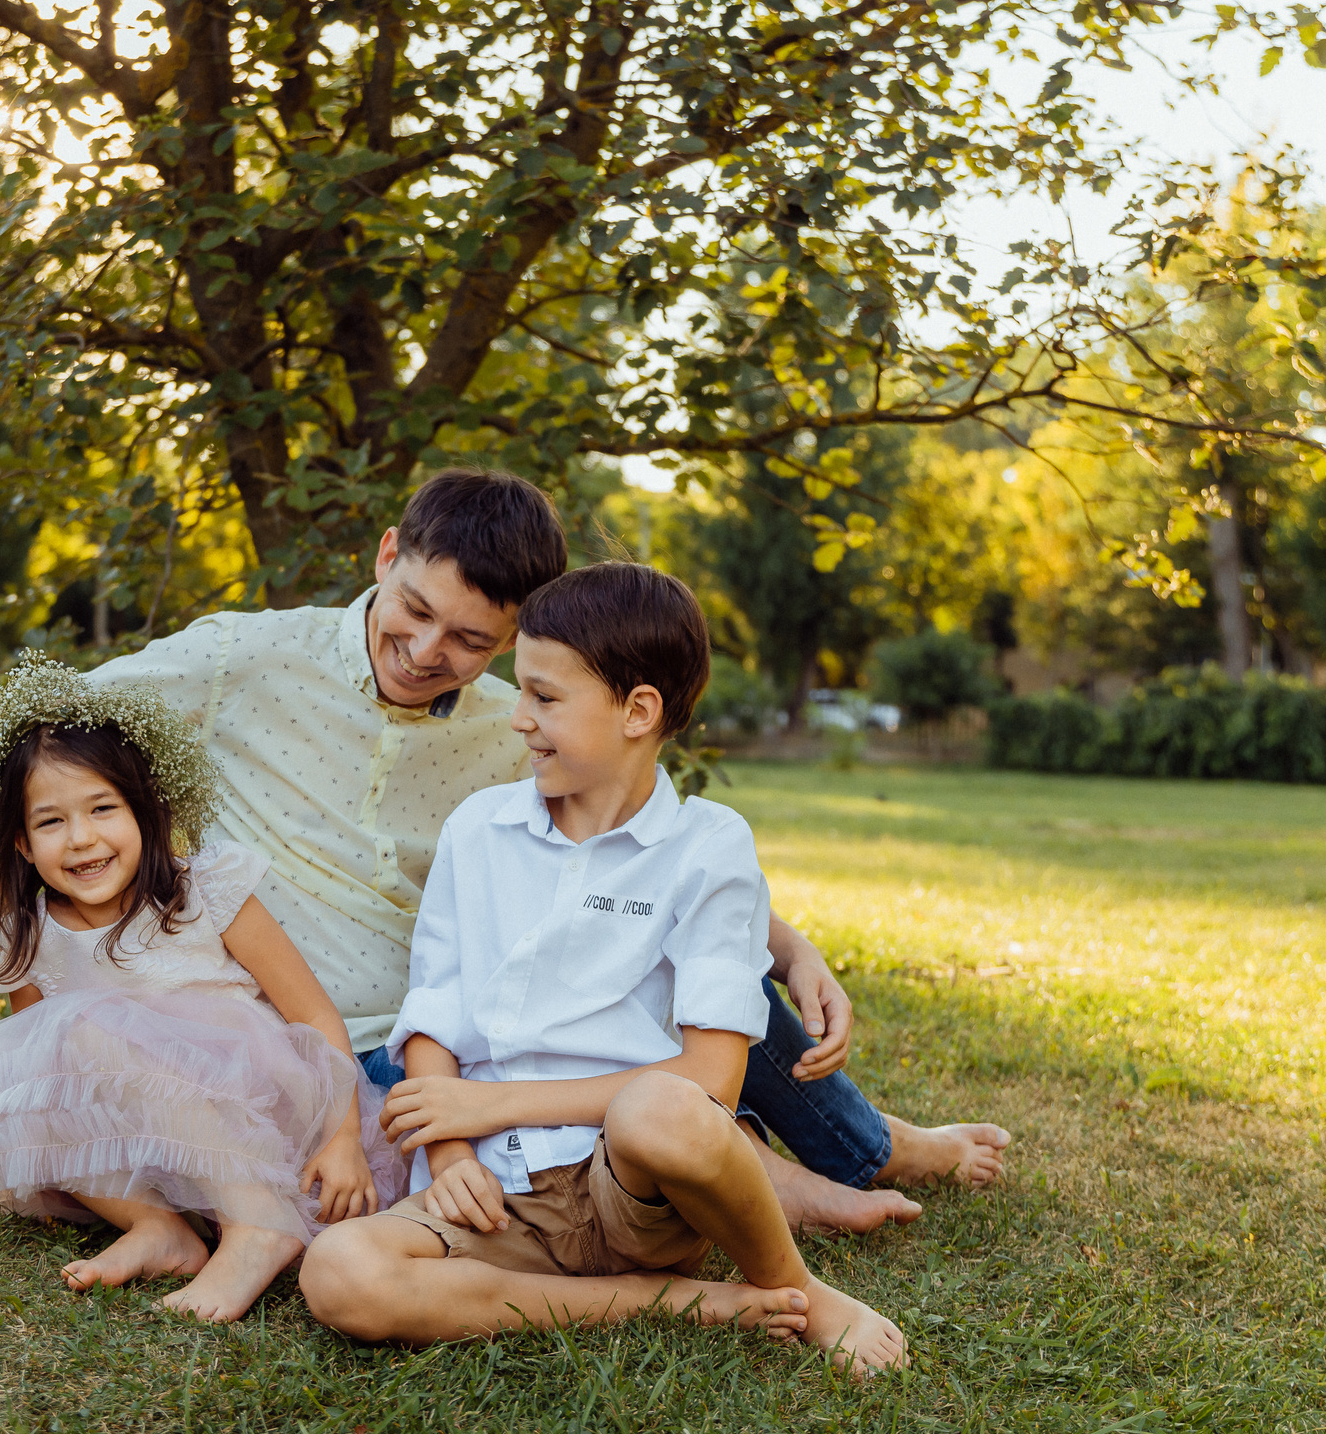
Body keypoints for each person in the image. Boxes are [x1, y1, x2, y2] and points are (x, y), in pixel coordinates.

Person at [0, 468, 1006, 1231]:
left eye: (472, 640)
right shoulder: (240, 658)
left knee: (703, 975)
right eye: (412, 610)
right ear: (386, 551)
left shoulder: (511, 721)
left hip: (487, 1007)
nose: (427, 652)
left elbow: (645, 847)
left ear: (517, 635)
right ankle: (772, 1181)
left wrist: (790, 943)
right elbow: (21, 755)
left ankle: (876, 1145)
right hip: (337, 1046)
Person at [300, 563, 904, 1376]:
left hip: (632, 1183)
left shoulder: (708, 847)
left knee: (665, 1108)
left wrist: (488, 1100)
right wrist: (449, 1160)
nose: (518, 719)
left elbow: (715, 1082)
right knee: (339, 1273)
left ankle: (796, 1288)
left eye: (544, 698)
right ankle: (687, 1302)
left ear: (638, 710)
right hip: (497, 1192)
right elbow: (434, 1010)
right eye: (521, 692)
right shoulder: (478, 829)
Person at [0, 655, 404, 1323]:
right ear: (21, 843)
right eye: (51, 822)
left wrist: (342, 1136)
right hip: (159, 1149)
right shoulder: (25, 937)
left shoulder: (204, 891)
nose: (82, 838)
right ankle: (161, 1228)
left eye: (103, 808)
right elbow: (46, 1073)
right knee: (27, 1081)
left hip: (254, 1115)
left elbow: (311, 1010)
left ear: (146, 811)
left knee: (82, 1028)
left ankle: (257, 1221)